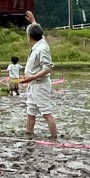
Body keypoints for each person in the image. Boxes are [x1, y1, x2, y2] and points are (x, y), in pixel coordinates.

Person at [21, 11, 57, 139]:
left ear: (29, 36)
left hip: (40, 85)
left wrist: (32, 77)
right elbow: (37, 30)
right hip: (32, 85)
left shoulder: (42, 48)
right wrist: (33, 20)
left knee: (46, 113)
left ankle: (54, 138)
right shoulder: (40, 41)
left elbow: (48, 68)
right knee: (30, 112)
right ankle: (29, 134)